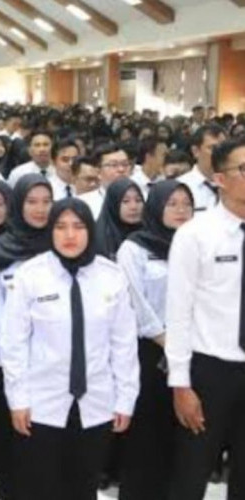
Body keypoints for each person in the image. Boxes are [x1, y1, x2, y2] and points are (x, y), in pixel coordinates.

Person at [1, 197, 139, 500]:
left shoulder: (111, 276)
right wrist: (18, 398)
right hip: (41, 401)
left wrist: (126, 398)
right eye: (61, 227)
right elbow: (13, 344)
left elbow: (124, 344)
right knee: (39, 486)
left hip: (98, 400)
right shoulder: (31, 275)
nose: (70, 235)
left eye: (78, 226)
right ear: (50, 230)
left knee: (83, 484)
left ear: (90, 229)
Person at [166, 138, 245, 499]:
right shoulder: (195, 234)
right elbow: (178, 313)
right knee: (191, 473)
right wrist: (181, 384)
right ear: (220, 179)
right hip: (210, 371)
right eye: (243, 169)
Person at [116, 180, 194, 500]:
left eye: (186, 204)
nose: (180, 210)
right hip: (150, 351)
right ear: (156, 207)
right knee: (148, 432)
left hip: (192, 349)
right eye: (172, 204)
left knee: (185, 434)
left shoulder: (197, 244)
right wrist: (166, 340)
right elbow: (134, 301)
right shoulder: (134, 248)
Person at [0, 173, 53, 494]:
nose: (40, 209)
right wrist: (16, 346)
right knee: (12, 446)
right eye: (31, 201)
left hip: (53, 365)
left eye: (46, 201)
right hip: (8, 363)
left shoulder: (61, 245)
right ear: (17, 205)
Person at [177, 124, 226, 214]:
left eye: (224, 148)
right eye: (213, 148)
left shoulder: (236, 184)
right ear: (196, 151)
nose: (220, 153)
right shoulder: (180, 186)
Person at [94, 178, 145, 261]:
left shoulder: (150, 234)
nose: (134, 207)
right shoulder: (99, 238)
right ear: (113, 204)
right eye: (126, 201)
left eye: (138, 200)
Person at [79, 144, 134, 219]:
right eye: (114, 165)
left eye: (125, 164)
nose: (121, 169)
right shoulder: (84, 203)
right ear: (98, 171)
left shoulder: (142, 199)